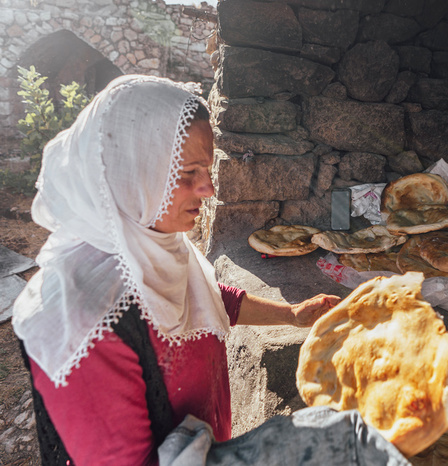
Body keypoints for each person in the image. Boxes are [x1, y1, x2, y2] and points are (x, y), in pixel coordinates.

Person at [12, 75, 409, 465]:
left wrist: (291, 315)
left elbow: (205, 297)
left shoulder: (152, 247)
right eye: (187, 173)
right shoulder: (84, 319)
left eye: (207, 169)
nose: (209, 188)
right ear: (131, 173)